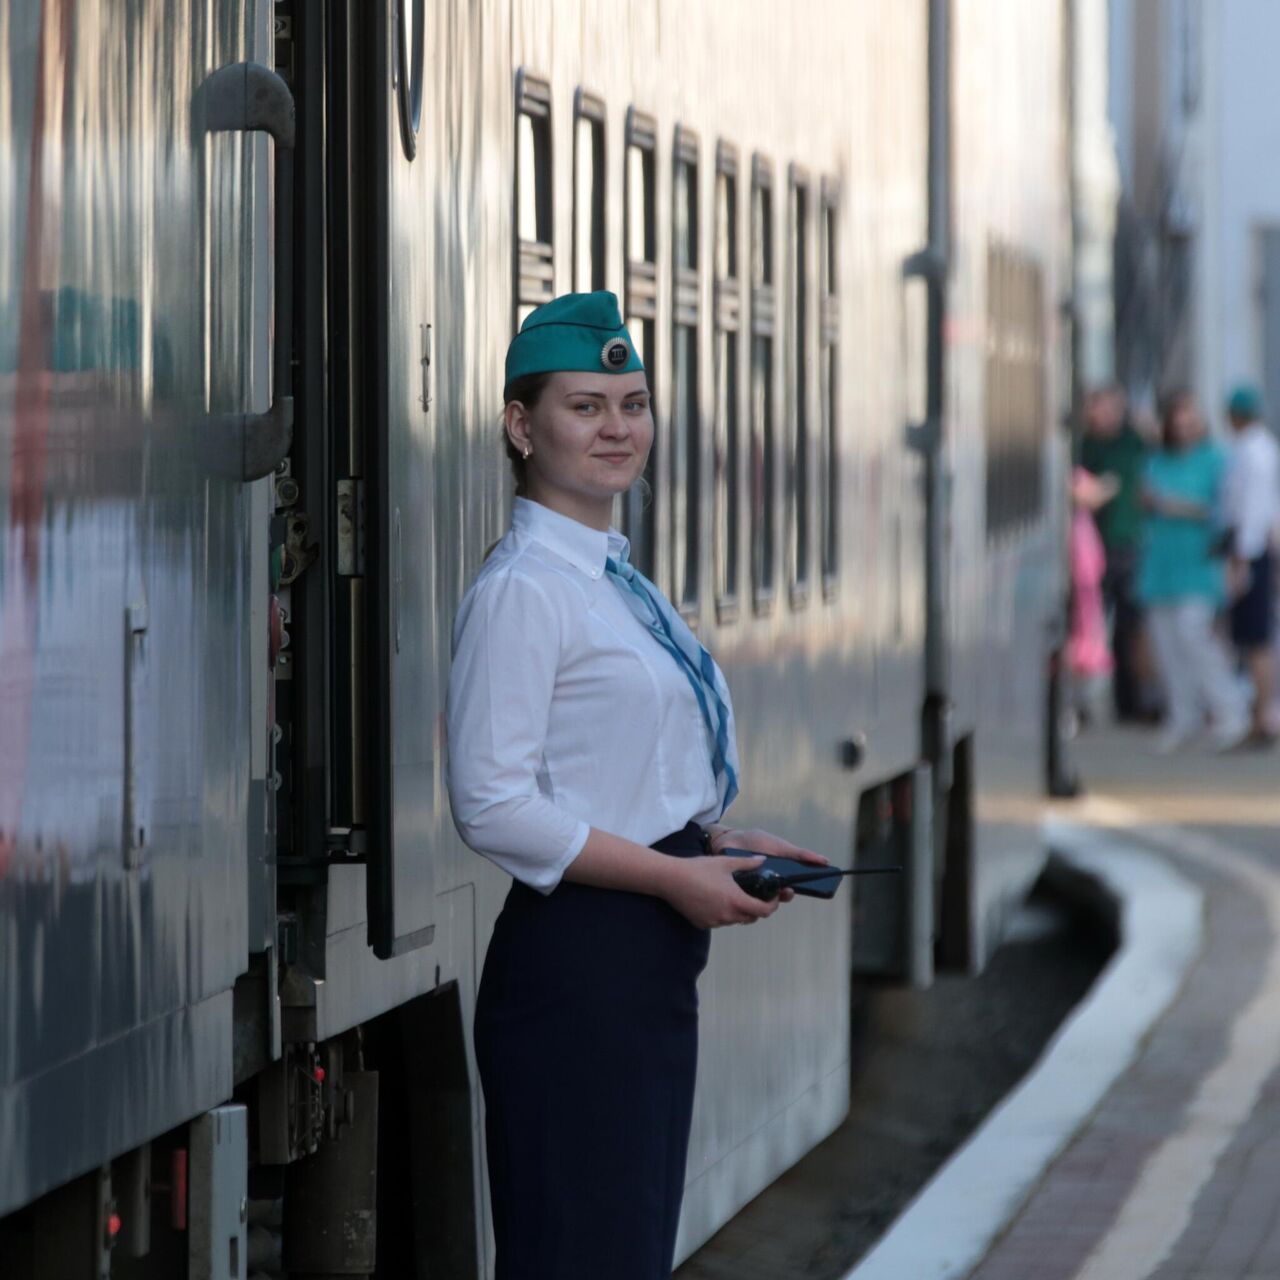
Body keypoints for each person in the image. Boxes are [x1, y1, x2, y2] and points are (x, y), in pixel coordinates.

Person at [445, 291, 826, 1280]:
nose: (617, 426)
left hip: (640, 960)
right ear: (520, 426)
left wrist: (716, 840)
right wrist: (666, 877)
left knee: (622, 1247)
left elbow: (613, 775)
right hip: (577, 963)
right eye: (585, 405)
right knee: (585, 1251)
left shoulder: (614, 577)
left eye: (633, 400)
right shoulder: (525, 588)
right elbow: (491, 802)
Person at [1138, 390, 1249, 753]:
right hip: (1161, 562)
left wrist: (1175, 506)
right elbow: (1147, 501)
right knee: (1168, 646)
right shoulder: (1157, 460)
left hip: (1199, 563)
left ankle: (1230, 709)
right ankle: (1182, 715)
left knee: (1195, 637)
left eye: (1190, 418)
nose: (1183, 426)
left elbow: (1223, 510)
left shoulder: (1216, 460)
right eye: (1177, 419)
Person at [1080, 384, 1159, 721]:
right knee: (1088, 624)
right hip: (1088, 547)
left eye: (1112, 407)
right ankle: (1084, 701)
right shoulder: (1082, 445)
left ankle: (1135, 702)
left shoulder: (1134, 441)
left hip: (1127, 544)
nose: (1104, 414)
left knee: (1132, 627)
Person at [1221, 383, 1280, 744]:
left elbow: (1254, 512)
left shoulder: (1253, 453)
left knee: (1256, 637)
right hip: (1253, 550)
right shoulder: (1257, 449)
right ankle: (1261, 712)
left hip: (1251, 552)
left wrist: (1241, 559)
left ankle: (1262, 715)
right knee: (1251, 637)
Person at [1066, 466, 1118, 726]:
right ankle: (1076, 702)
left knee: (1084, 634)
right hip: (1076, 573)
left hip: (1084, 575)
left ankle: (1078, 702)